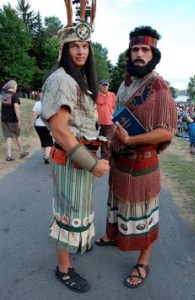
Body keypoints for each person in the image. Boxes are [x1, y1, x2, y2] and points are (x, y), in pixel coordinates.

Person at [96, 26, 177, 288]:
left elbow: (168, 132)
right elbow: (117, 119)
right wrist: (108, 144)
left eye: (145, 50)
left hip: (143, 163)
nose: (139, 55)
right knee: (119, 204)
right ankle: (115, 235)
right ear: (129, 53)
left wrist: (131, 140)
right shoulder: (125, 83)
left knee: (144, 214)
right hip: (121, 161)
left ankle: (143, 260)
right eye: (135, 50)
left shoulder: (160, 88)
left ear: (153, 54)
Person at [40, 0, 109, 294]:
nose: (80, 51)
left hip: (79, 160)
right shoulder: (61, 79)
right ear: (65, 50)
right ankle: (64, 269)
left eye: (84, 46)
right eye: (74, 46)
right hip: (72, 160)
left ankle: (74, 249)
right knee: (67, 213)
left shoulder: (77, 79)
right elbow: (60, 130)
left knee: (78, 211)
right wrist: (93, 163)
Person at [1, 80, 28, 161]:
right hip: (13, 120)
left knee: (8, 137)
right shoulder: (15, 95)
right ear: (13, 87)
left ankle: (9, 156)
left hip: (4, 119)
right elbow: (16, 107)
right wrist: (19, 120)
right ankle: (22, 152)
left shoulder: (4, 95)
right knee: (17, 136)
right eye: (16, 86)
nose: (17, 88)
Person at [29, 93, 53, 164]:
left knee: (42, 139)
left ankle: (45, 154)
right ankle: (46, 156)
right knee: (49, 140)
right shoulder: (51, 104)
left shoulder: (37, 104)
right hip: (47, 125)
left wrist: (31, 125)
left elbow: (33, 115)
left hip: (38, 125)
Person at [97, 80, 116, 159]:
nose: (105, 87)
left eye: (107, 85)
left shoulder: (112, 95)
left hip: (110, 124)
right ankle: (102, 156)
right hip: (99, 124)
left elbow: (115, 107)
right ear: (100, 86)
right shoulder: (96, 95)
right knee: (99, 141)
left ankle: (106, 158)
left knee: (107, 142)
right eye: (103, 85)